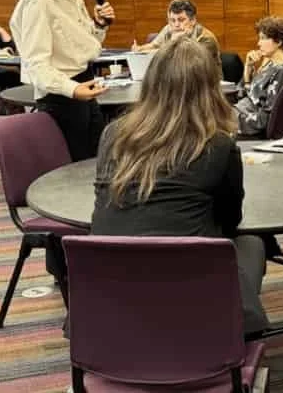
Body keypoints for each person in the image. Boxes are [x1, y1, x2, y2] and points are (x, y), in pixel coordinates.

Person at [91, 37, 268, 335]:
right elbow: (230, 220)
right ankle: (234, 330)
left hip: (108, 292)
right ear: (210, 89)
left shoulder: (112, 135)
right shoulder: (219, 145)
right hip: (190, 288)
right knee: (251, 244)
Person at [9, 0, 115, 162]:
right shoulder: (38, 0)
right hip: (61, 98)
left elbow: (87, 46)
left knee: (95, 166)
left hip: (84, 89)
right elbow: (36, 65)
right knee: (73, 175)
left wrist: (98, 25)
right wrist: (72, 89)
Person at [235, 17, 283, 137]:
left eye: (263, 38)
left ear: (279, 42)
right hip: (242, 111)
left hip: (248, 120)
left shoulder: (282, 71)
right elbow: (250, 95)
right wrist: (248, 69)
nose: (259, 43)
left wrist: (232, 121)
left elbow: (265, 118)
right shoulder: (271, 63)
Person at [131, 0, 222, 72]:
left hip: (206, 86)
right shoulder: (168, 29)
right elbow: (154, 45)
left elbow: (187, 65)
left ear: (193, 20)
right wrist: (139, 49)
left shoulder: (206, 38)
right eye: (172, 20)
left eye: (181, 20)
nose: (176, 24)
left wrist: (173, 42)